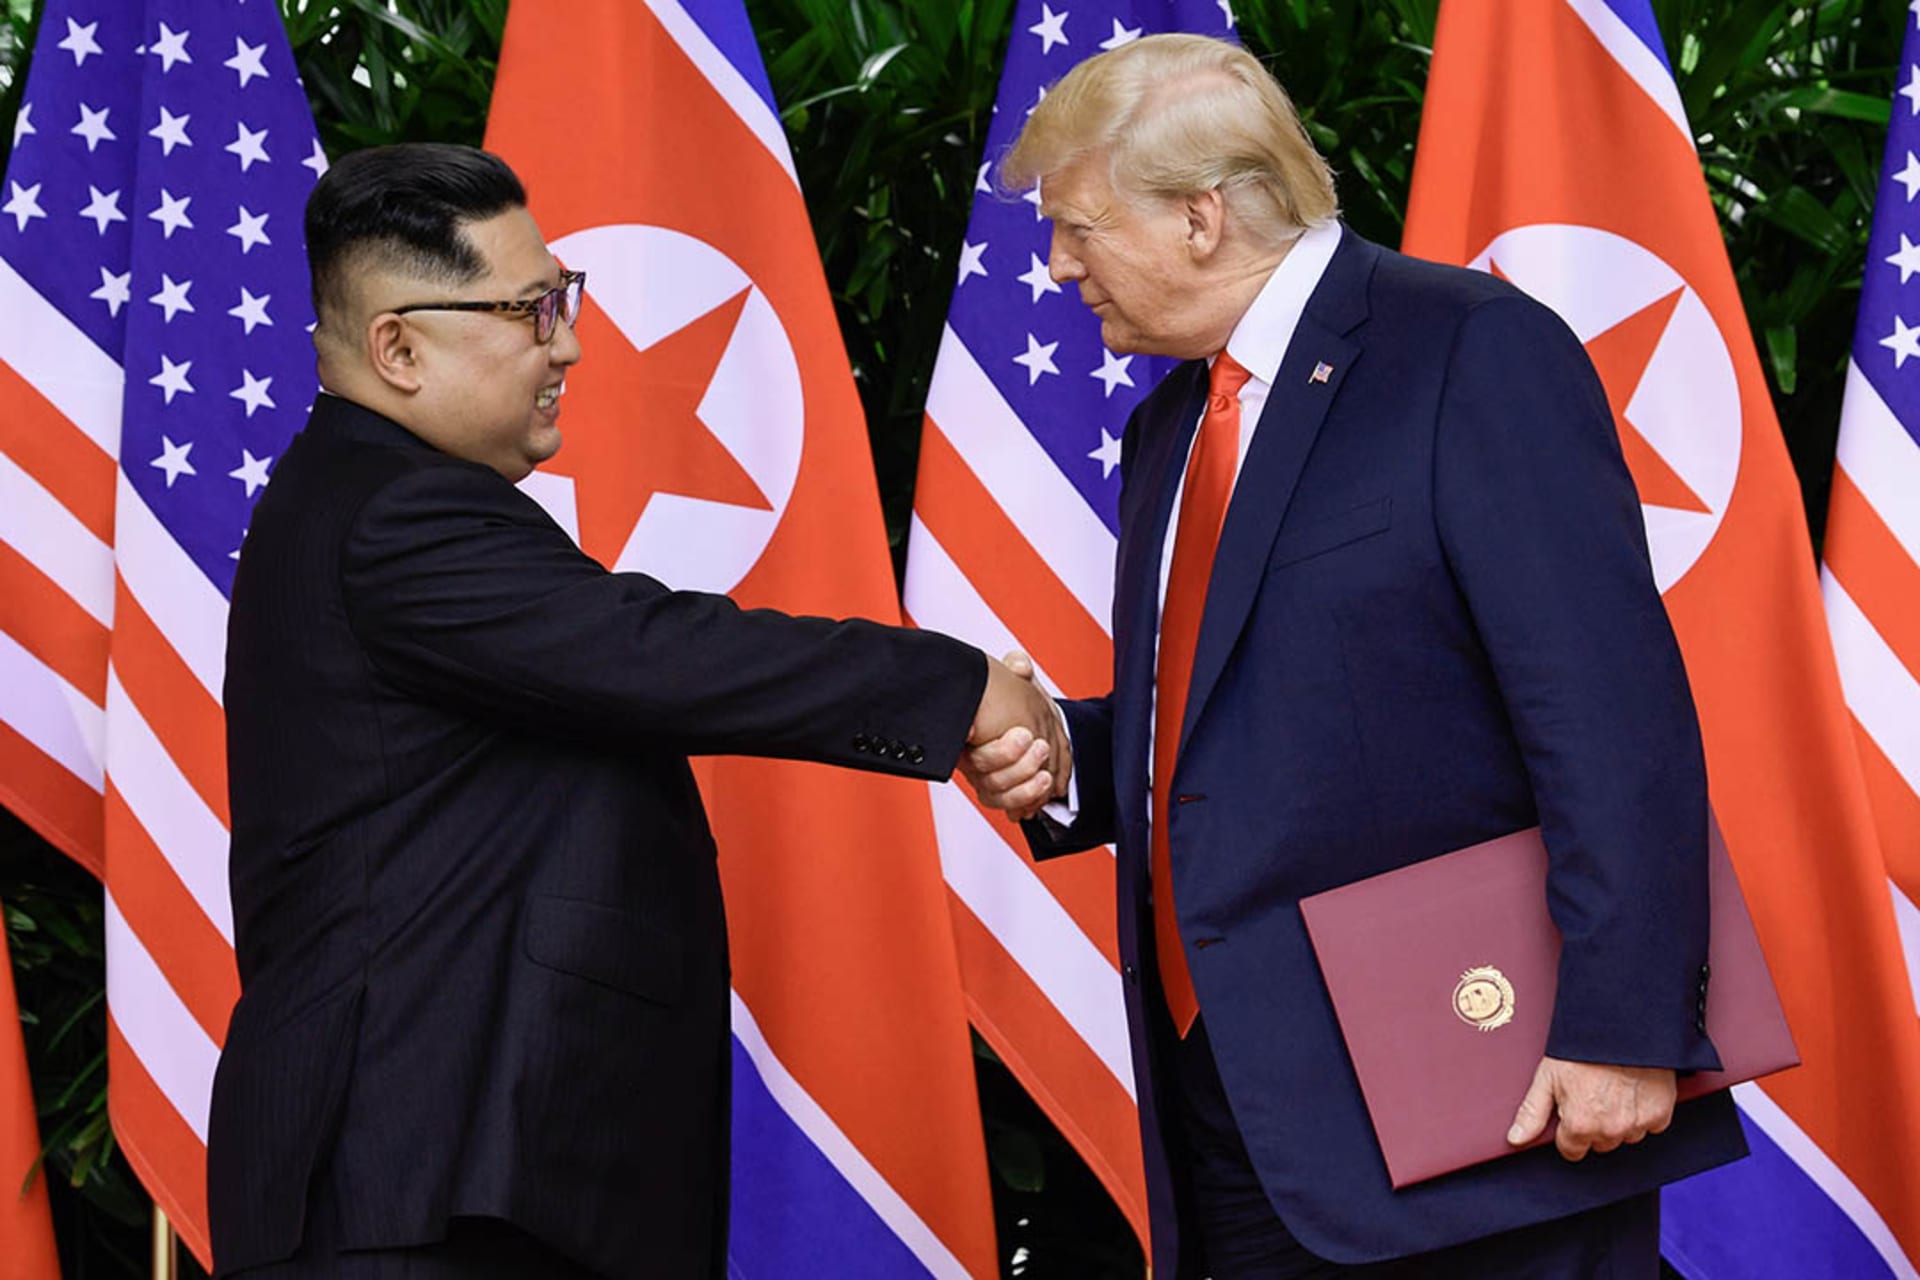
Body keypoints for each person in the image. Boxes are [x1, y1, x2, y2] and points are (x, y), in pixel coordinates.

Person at [961, 34, 1747, 1280]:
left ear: (1201, 217)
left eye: (1078, 227)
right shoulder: (1172, 418)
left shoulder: (1467, 348)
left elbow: (1607, 707)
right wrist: (1071, 751)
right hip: (1239, 1111)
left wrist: (1625, 1023)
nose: (1058, 266)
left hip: (1483, 1094)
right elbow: (1250, 713)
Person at [208, 143, 1061, 1280]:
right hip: (411, 1184)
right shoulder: (391, 516)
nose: (565, 341)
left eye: (562, 297)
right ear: (397, 346)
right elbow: (653, 652)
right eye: (527, 309)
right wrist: (959, 688)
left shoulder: (381, 497)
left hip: (458, 1181)